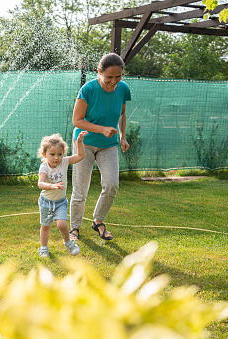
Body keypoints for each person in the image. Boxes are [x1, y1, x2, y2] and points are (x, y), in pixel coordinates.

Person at [69, 53, 131, 241]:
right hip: (84, 144)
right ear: (99, 72)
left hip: (109, 145)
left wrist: (122, 137)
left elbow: (122, 113)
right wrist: (102, 129)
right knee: (80, 189)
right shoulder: (88, 89)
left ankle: (98, 221)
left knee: (112, 185)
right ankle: (74, 228)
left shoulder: (123, 89)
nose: (113, 82)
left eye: (118, 77)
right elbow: (76, 120)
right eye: (109, 77)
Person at [37, 131, 88, 257]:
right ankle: (44, 247)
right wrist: (52, 186)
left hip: (60, 202)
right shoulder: (44, 167)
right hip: (46, 203)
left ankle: (68, 243)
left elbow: (80, 156)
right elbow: (40, 184)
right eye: (52, 154)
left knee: (62, 224)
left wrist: (79, 142)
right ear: (44, 154)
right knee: (46, 226)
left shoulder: (64, 162)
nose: (56, 158)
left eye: (59, 154)